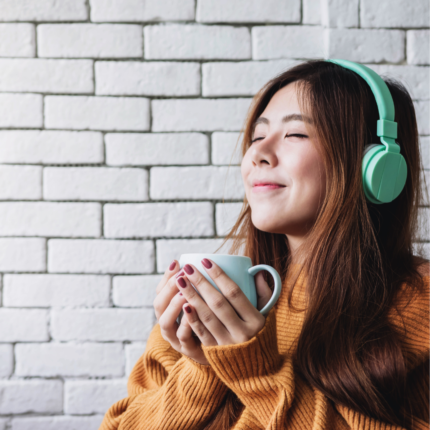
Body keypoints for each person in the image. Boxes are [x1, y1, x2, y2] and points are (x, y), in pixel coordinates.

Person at [99, 59, 429, 430]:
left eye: (295, 135)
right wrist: (204, 368)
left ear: (376, 168)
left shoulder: (420, 301)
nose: (258, 154)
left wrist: (256, 372)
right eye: (257, 136)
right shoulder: (224, 300)